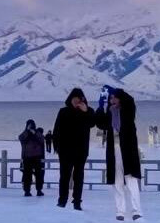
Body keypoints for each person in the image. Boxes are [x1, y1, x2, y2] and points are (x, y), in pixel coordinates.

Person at [96, 86, 143, 221]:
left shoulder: (128, 110)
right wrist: (100, 106)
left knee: (131, 181)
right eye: (111, 98)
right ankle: (120, 212)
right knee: (117, 183)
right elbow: (101, 124)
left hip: (128, 151)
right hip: (114, 151)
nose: (112, 100)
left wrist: (115, 90)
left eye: (114, 97)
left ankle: (136, 211)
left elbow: (130, 100)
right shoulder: (110, 112)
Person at [53, 87, 94, 210]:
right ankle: (62, 199)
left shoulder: (89, 111)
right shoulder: (63, 111)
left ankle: (77, 201)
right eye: (74, 99)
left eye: (79, 99)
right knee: (64, 176)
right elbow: (57, 130)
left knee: (79, 176)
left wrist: (85, 111)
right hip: (65, 150)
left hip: (81, 150)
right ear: (70, 99)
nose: (76, 101)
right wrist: (57, 147)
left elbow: (92, 123)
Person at [18, 120, 46, 197]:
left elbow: (42, 139)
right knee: (27, 175)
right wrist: (27, 130)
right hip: (27, 157)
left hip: (37, 157)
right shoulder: (25, 133)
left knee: (39, 174)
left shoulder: (37, 132)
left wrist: (34, 132)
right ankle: (27, 191)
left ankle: (39, 190)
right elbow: (20, 138)